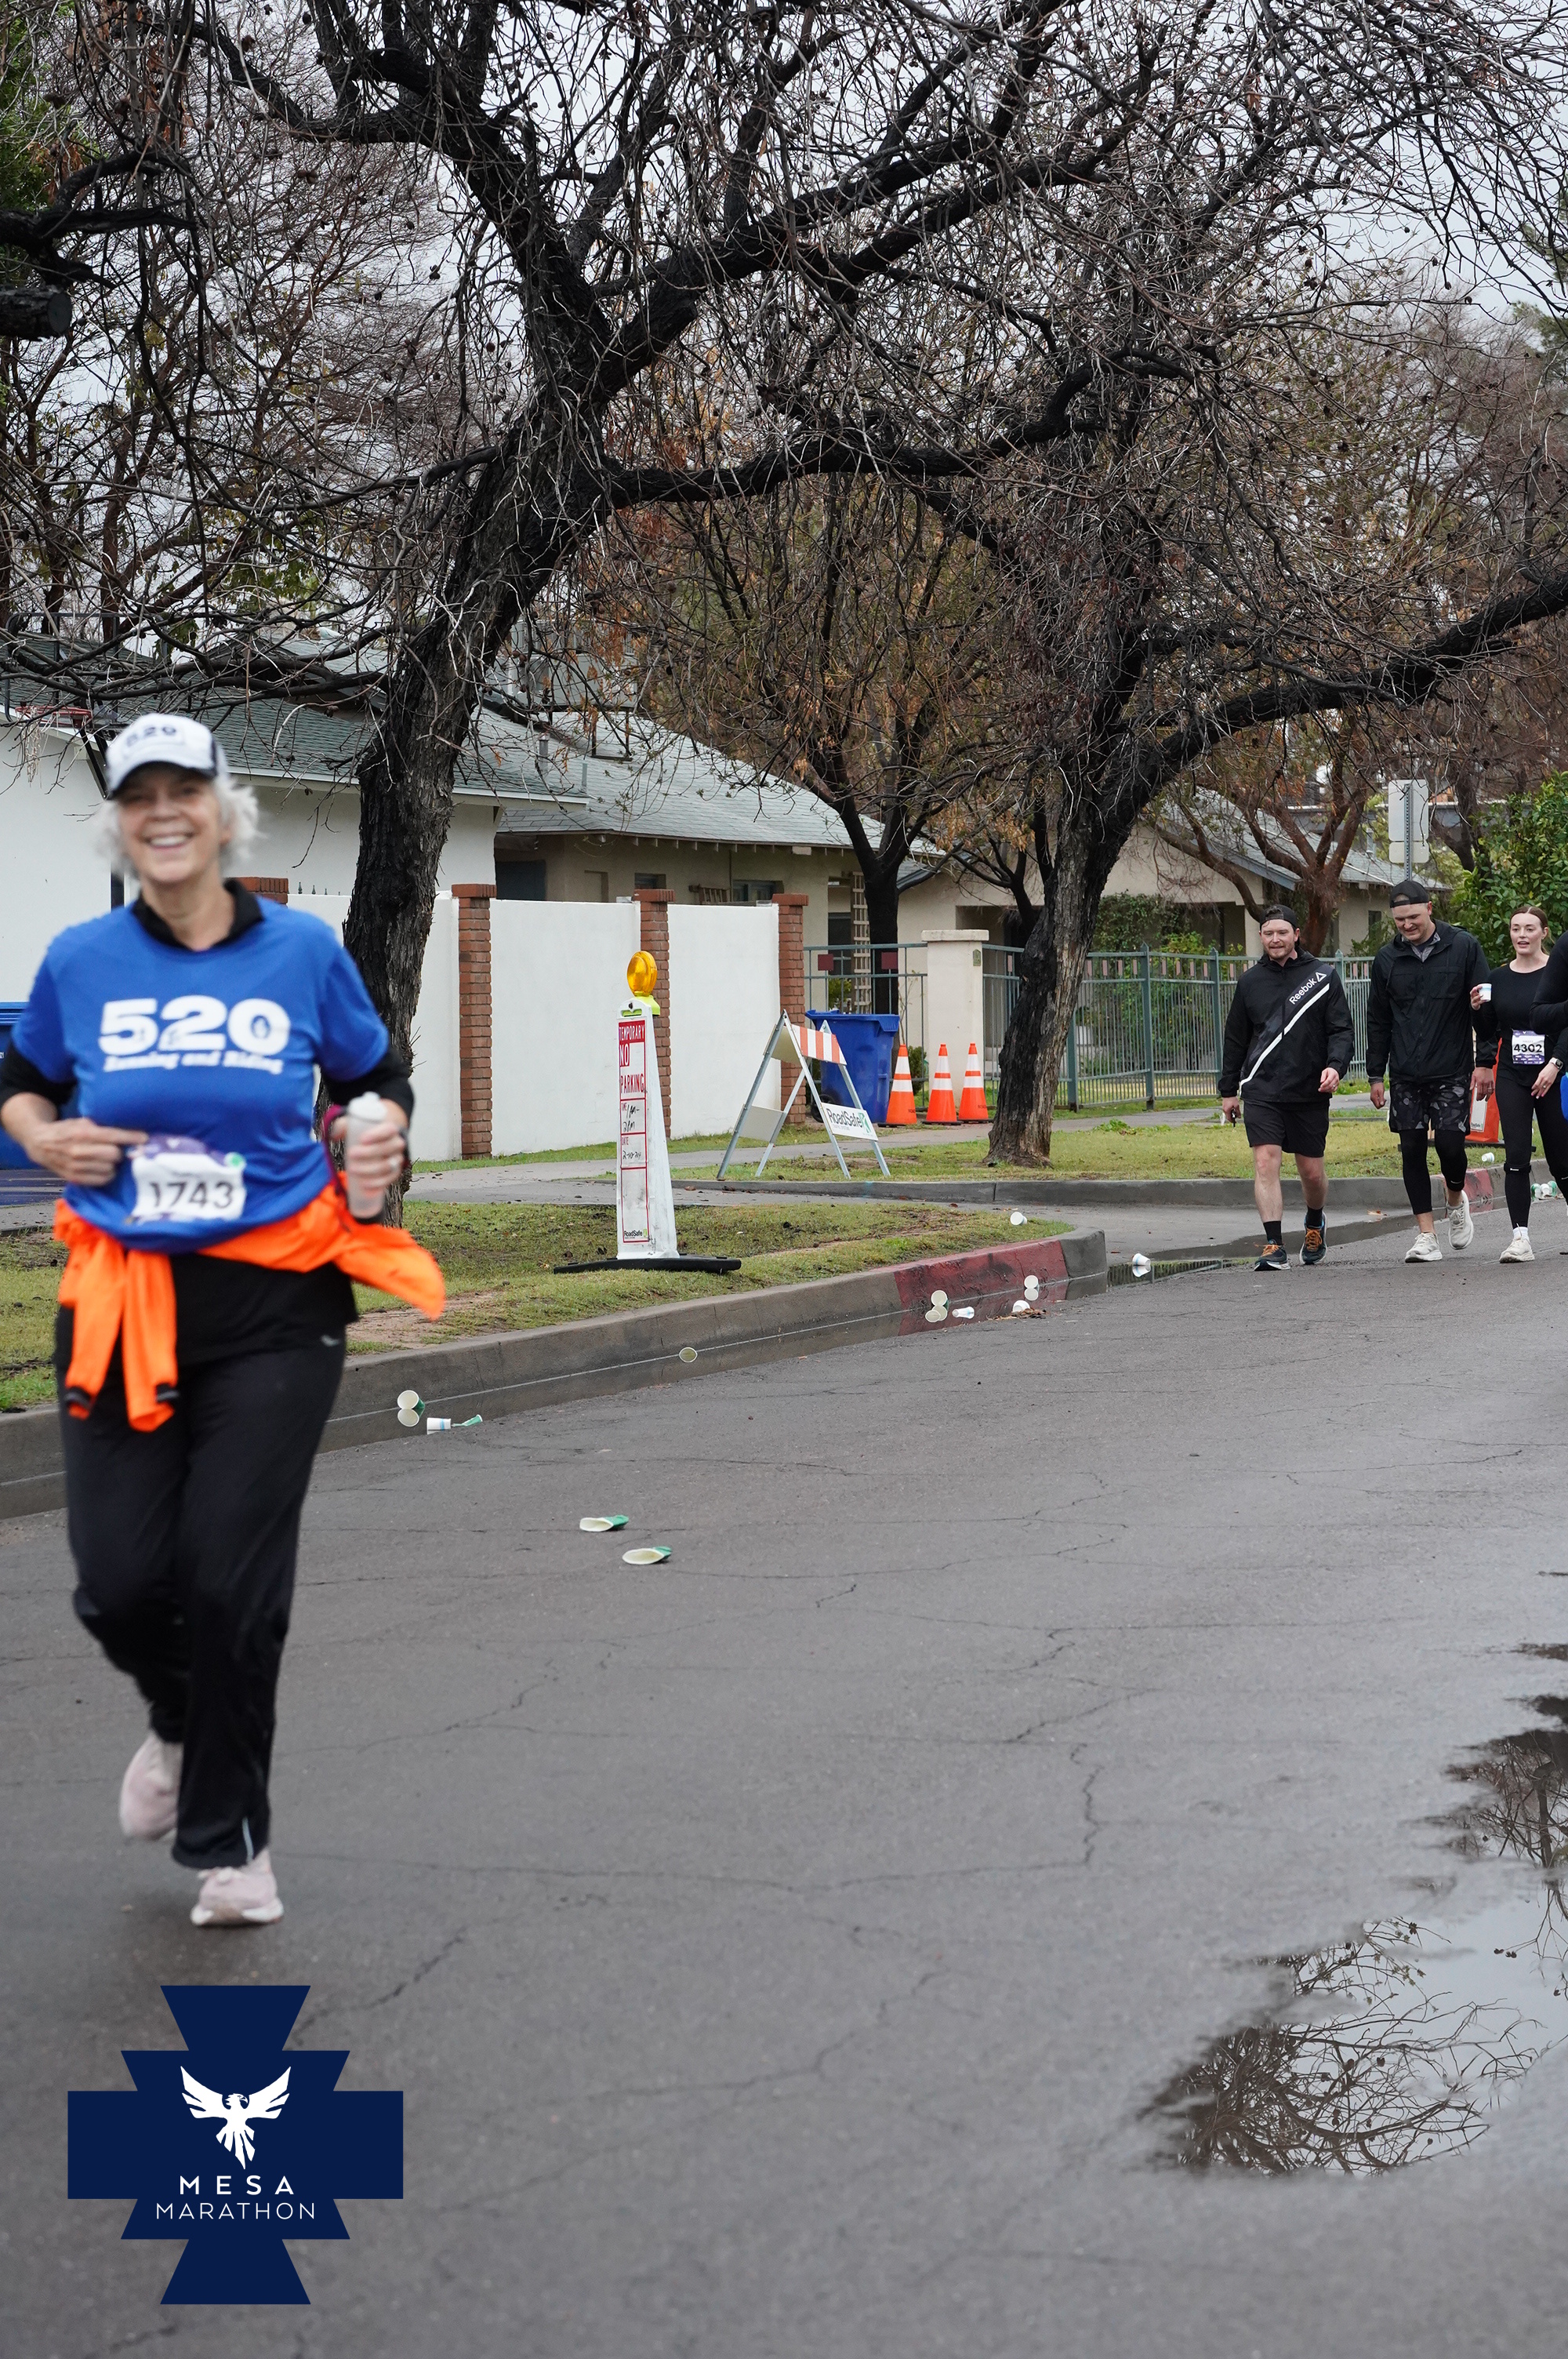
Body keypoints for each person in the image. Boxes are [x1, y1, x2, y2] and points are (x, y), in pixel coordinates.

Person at [0, 713, 444, 1928]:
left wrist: (376, 1132)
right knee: (118, 1582)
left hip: (276, 1302)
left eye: (182, 790)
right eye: (138, 795)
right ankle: (177, 1723)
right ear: (120, 822)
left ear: (222, 808)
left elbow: (374, 1076)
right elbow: (22, 1084)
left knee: (228, 1577)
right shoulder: (82, 961)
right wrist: (46, 1138)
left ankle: (233, 1846)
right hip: (122, 1300)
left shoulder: (301, 952)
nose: (163, 813)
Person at [1219, 905, 1355, 1271]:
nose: (1275, 939)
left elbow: (1341, 1030)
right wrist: (1228, 1091)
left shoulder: (1322, 977)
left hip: (1309, 1090)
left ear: (1296, 934)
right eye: (1268, 933)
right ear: (1261, 937)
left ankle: (1315, 1221)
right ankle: (1274, 1245)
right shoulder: (1250, 982)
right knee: (1265, 1162)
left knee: (1311, 1173)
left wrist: (1335, 1066)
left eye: (1282, 932)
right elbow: (1235, 1039)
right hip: (1261, 1089)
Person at [1365, 879, 1490, 1264]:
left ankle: (1455, 1198)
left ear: (1430, 908)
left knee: (1451, 1146)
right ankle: (1426, 1235)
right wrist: (1375, 1075)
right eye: (1400, 920)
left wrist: (1485, 1062)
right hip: (1406, 1073)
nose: (1407, 925)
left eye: (1413, 917)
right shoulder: (1387, 960)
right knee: (1412, 1149)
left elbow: (1486, 1005)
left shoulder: (1463, 947)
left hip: (1452, 1069)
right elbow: (1378, 1021)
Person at [1468, 903, 1568, 1263]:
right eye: (1516, 928)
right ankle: (1520, 1238)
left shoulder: (1557, 974)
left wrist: (1556, 1065)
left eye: (1529, 928)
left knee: (1561, 1159)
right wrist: (1477, 1010)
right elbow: (1489, 1031)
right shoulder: (1497, 978)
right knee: (1516, 1155)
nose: (1522, 935)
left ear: (1544, 933)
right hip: (1512, 1073)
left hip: (1554, 1073)